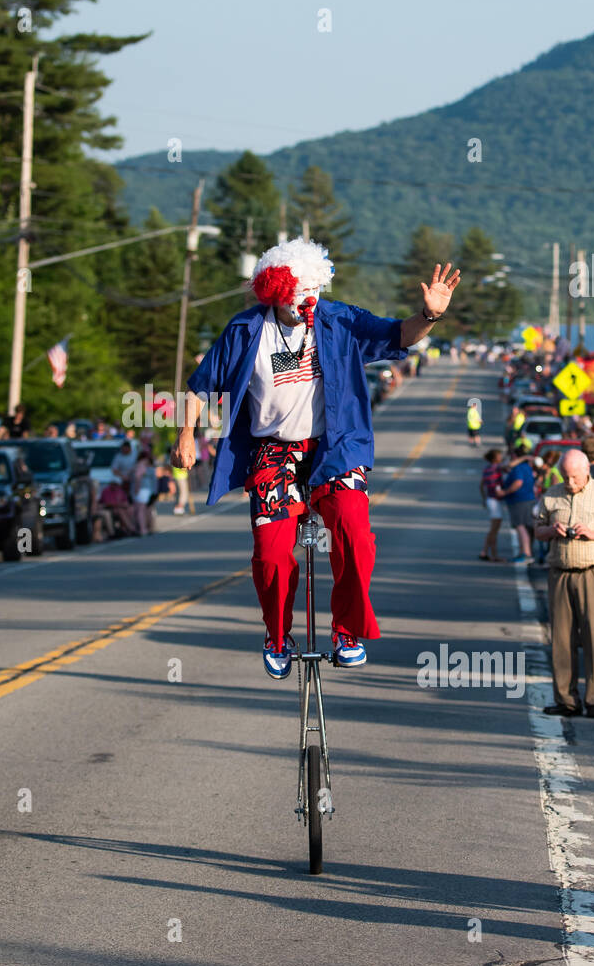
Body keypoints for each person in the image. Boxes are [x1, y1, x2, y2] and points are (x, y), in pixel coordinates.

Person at [172, 237, 461, 677]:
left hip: (335, 446)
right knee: (270, 554)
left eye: (313, 290)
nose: (308, 301)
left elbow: (397, 336)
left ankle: (346, 630)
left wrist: (429, 315)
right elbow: (198, 386)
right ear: (275, 292)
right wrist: (186, 436)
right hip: (274, 450)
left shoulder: (339, 319)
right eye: (298, 294)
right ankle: (276, 633)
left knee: (354, 532)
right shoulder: (246, 330)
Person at [535, 449, 594, 719]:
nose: (570, 483)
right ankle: (566, 699)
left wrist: (592, 533)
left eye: (575, 477)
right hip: (561, 572)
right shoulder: (552, 494)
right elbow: (538, 530)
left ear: (586, 470)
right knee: (562, 639)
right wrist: (551, 531)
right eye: (566, 477)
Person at [501, 442, 536, 564]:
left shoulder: (518, 468)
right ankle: (526, 551)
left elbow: (518, 483)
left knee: (520, 526)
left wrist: (505, 492)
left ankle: (526, 553)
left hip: (519, 500)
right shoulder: (527, 466)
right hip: (529, 498)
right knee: (527, 526)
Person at [479, 448, 507, 562]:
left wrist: (484, 498)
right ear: (495, 458)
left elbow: (481, 485)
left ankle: (485, 551)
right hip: (495, 500)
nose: (501, 458)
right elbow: (510, 465)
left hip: (490, 499)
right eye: (499, 456)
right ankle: (493, 555)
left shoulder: (487, 469)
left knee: (493, 529)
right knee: (494, 529)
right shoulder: (496, 468)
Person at [131, 448, 156, 536]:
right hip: (147, 490)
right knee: (146, 509)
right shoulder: (149, 466)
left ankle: (142, 529)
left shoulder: (140, 465)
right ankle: (148, 527)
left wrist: (136, 489)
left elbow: (137, 477)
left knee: (140, 510)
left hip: (141, 490)